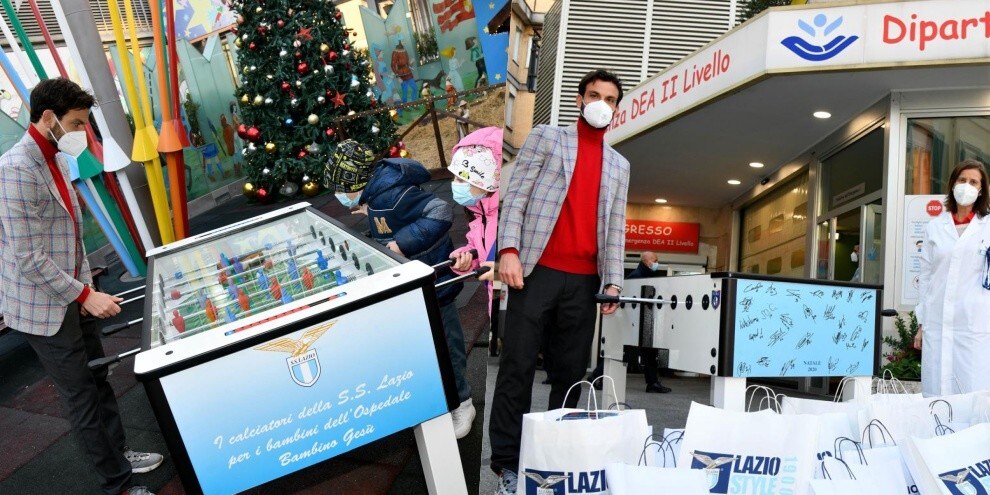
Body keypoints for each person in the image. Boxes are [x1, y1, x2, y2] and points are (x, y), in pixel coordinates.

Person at [0, 78, 162, 495]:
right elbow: (28, 257)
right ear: (49, 118)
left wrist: (86, 292)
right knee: (81, 397)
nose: (81, 134)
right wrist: (86, 294)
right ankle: (118, 486)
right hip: (43, 306)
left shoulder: (55, 157)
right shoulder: (16, 169)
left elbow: (68, 236)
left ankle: (119, 452)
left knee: (99, 378)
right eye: (76, 123)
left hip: (73, 293)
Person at [491, 69, 629, 494]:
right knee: (516, 367)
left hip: (584, 281)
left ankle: (550, 464)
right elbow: (516, 196)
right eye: (594, 95)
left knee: (570, 376)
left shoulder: (621, 165)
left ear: (617, 109)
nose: (600, 104)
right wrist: (508, 250)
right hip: (536, 272)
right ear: (578, 99)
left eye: (609, 99)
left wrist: (614, 282)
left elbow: (615, 227)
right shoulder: (547, 138)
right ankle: (508, 466)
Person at [323, 140, 476, 437]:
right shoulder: (377, 196)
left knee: (447, 345)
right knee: (428, 347)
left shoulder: (393, 193)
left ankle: (463, 402)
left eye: (341, 189)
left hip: (434, 283)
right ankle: (443, 400)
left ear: (356, 181)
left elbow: (441, 212)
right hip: (416, 285)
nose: (339, 196)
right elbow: (391, 222)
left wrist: (400, 244)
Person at [913, 159, 990, 397]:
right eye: (962, 180)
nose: (967, 186)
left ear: (981, 190)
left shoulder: (988, 227)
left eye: (973, 181)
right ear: (953, 184)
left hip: (975, 321)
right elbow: (926, 277)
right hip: (937, 319)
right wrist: (922, 324)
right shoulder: (935, 227)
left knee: (972, 387)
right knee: (937, 387)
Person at [587, 251, 672, 393]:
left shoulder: (643, 276)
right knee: (622, 352)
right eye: (655, 260)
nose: (657, 262)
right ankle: (596, 376)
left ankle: (652, 383)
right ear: (647, 261)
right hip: (635, 324)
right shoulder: (637, 277)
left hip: (641, 323)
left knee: (645, 353)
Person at [448, 126, 501, 317]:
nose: (454, 184)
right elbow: (480, 248)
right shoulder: (480, 212)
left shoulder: (506, 214)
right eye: (454, 177)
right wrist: (467, 257)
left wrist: (500, 270)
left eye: (462, 179)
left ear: (486, 179)